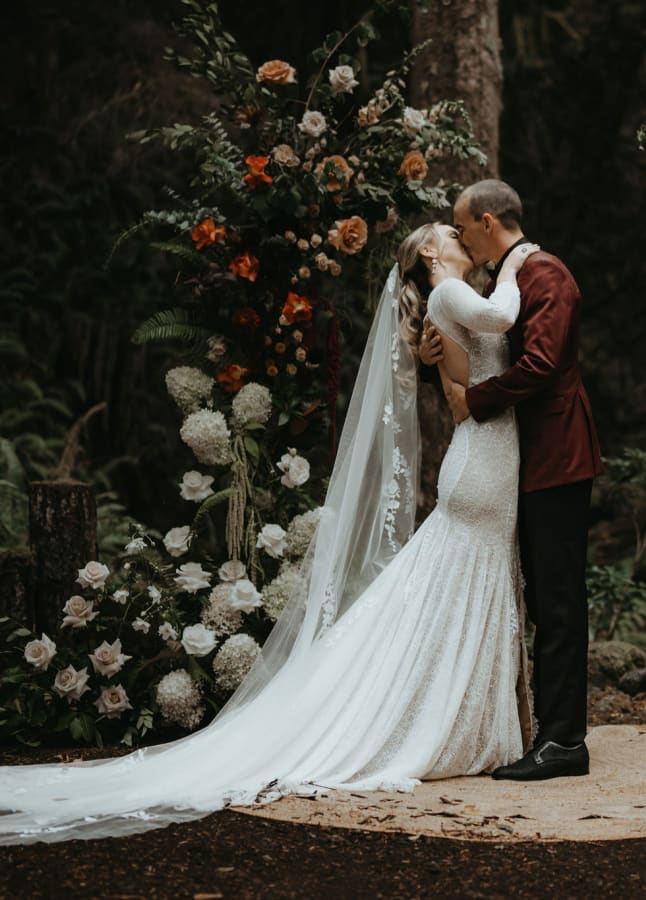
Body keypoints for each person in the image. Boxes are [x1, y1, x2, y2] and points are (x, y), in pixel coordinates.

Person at [0, 224, 538, 845]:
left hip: (485, 464)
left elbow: (468, 391)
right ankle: (436, 719)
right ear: (426, 252)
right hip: (481, 471)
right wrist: (523, 258)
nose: (457, 230)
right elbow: (483, 362)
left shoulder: (453, 301)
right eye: (449, 229)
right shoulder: (455, 295)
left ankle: (450, 715)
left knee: (430, 598)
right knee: (437, 594)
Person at [421, 179, 603, 781]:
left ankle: (563, 744)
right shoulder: (502, 280)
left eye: (462, 224)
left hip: (557, 456)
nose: (461, 236)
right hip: (524, 459)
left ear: (489, 221)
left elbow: (541, 364)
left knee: (558, 600)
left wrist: (475, 401)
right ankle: (541, 732)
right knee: (542, 598)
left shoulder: (542, 272)